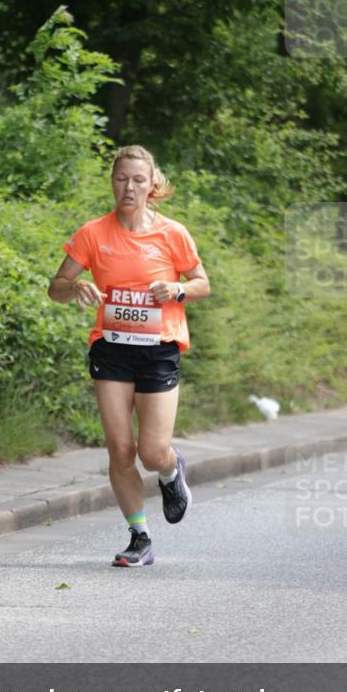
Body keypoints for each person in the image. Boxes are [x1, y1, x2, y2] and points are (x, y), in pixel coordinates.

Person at [48, 145, 210, 566]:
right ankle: (140, 536)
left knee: (151, 453)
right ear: (112, 182)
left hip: (159, 349)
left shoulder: (172, 233)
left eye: (138, 180)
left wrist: (177, 289)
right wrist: (76, 287)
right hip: (112, 348)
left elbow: (202, 283)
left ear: (152, 185)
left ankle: (171, 470)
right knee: (120, 449)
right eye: (122, 179)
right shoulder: (93, 234)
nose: (129, 187)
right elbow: (56, 287)